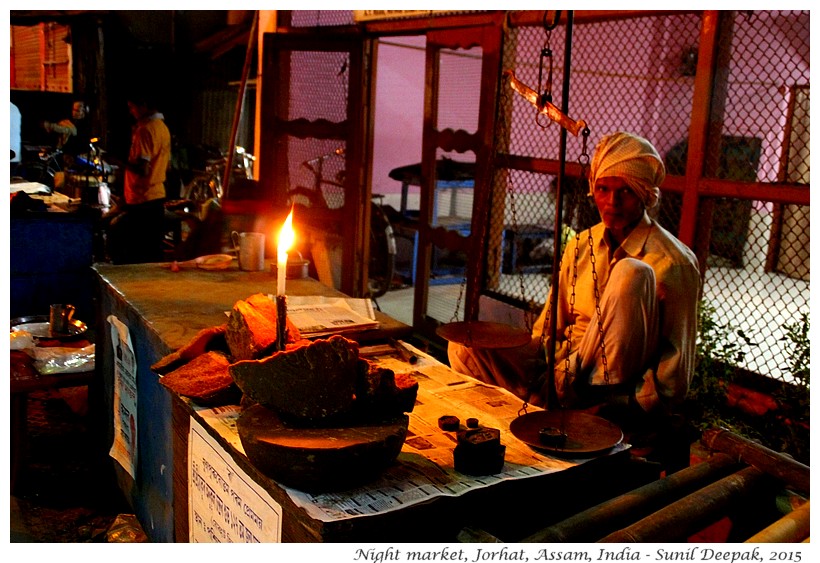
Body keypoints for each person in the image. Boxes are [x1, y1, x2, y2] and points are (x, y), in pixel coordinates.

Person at [448, 132, 701, 438]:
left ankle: (573, 410)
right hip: (563, 373)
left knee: (631, 273)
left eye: (626, 192)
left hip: (611, 390)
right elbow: (549, 327)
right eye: (603, 189)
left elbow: (675, 365)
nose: (612, 202)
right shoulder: (582, 244)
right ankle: (537, 414)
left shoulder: (673, 263)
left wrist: (635, 405)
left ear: (645, 194)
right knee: (463, 345)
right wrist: (533, 362)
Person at [105, 89, 171, 264]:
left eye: (132, 107)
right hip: (155, 196)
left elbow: (143, 169)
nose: (131, 112)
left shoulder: (145, 130)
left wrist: (117, 161)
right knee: (151, 252)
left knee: (136, 253)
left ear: (144, 105)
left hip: (143, 199)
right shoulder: (162, 128)